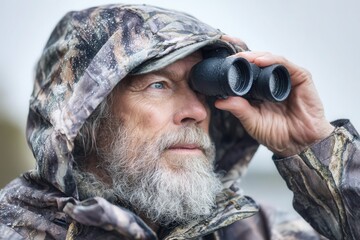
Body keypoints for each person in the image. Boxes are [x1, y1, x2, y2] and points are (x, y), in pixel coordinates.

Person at [0, 3, 359, 240]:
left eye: (202, 89)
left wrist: (315, 150)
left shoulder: (253, 230)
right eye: (159, 85)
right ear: (84, 115)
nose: (198, 111)